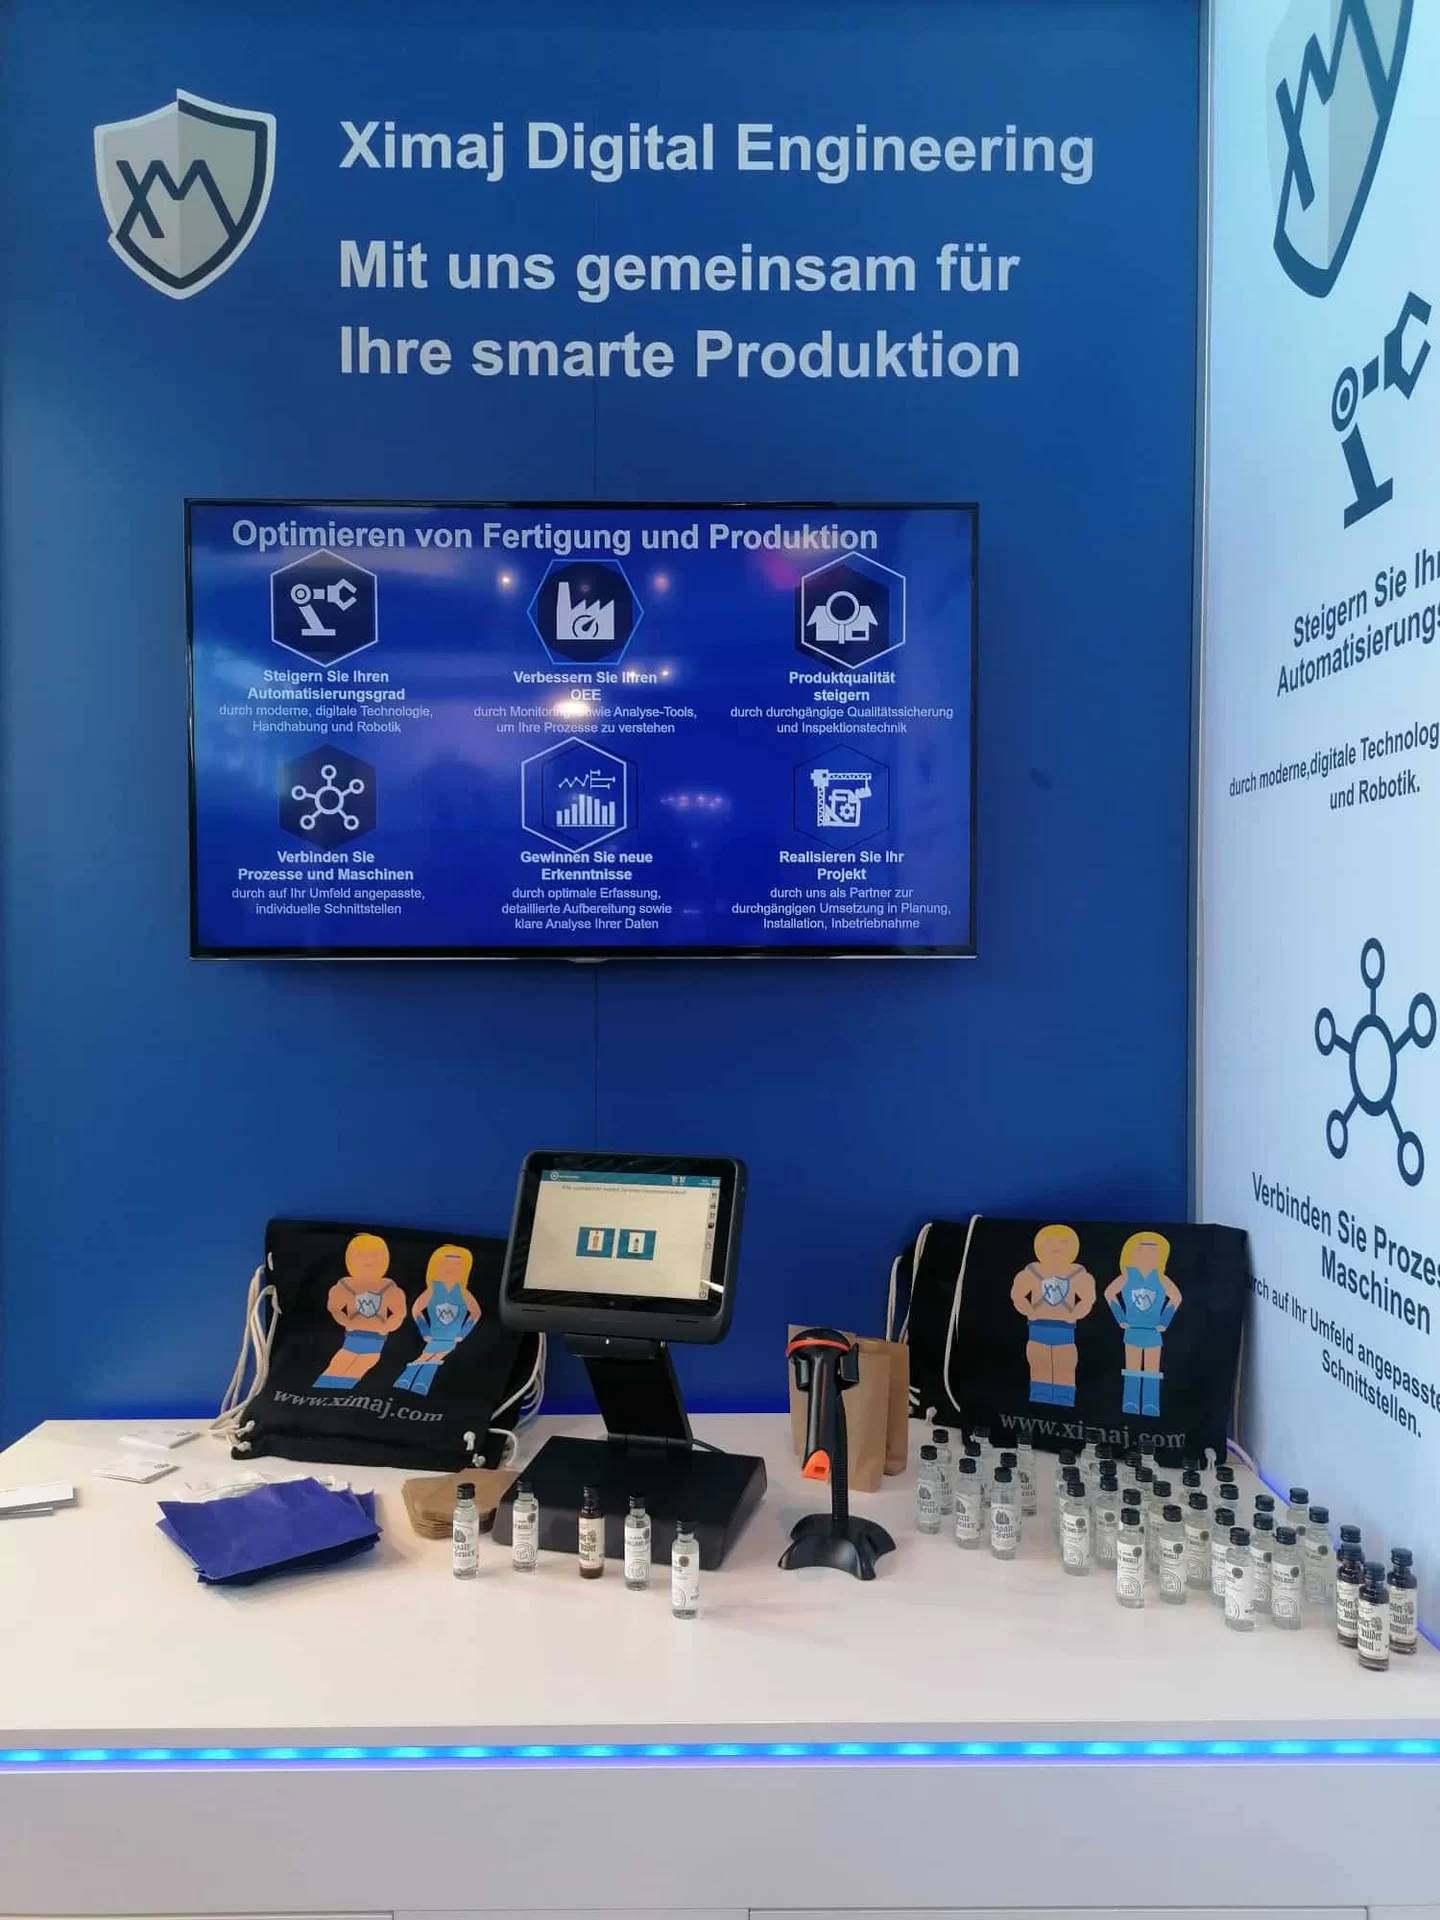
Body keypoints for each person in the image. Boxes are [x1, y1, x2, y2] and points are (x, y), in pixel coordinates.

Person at [1010, 1223, 1096, 1406]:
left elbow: (1088, 1299)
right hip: (1037, 1328)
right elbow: (1018, 1295)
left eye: (1063, 1242)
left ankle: (1065, 1397)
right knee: (1038, 1362)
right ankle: (1039, 1394)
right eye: (1049, 1242)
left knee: (1065, 1363)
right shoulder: (1031, 1272)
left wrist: (1075, 1313)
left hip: (1065, 1329)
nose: (1056, 1247)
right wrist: (1029, 1310)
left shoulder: (1078, 1274)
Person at [313, 1231, 406, 1390]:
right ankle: (325, 1389)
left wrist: (387, 1326)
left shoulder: (388, 1287)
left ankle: (337, 1391)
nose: (367, 1260)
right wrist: (346, 1321)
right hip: (354, 1335)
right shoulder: (345, 1285)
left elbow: (399, 1312)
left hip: (376, 1338)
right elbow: (335, 1308)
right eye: (360, 1255)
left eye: (373, 1255)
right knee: (342, 1361)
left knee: (363, 1363)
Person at [1104, 1231, 1182, 1417]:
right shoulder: (1127, 1276)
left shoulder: (1160, 1278)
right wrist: (1121, 1317)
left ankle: (1150, 1405)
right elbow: (1109, 1293)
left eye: (1153, 1251)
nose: (1147, 1255)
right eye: (1141, 1250)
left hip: (1153, 1331)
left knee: (1152, 1369)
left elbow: (1176, 1297)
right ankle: (1130, 1402)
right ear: (1131, 1254)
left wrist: (1164, 1320)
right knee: (1132, 1368)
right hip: (1132, 1330)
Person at [395, 1243, 481, 1396]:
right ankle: (411, 1383)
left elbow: (476, 1313)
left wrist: (463, 1333)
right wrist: (425, 1331)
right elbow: (416, 1310)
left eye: (457, 1265)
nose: (451, 1268)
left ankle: (412, 1382)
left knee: (433, 1357)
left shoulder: (463, 1292)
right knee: (427, 1356)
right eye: (446, 1264)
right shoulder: (433, 1289)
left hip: (451, 1337)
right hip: (434, 1335)